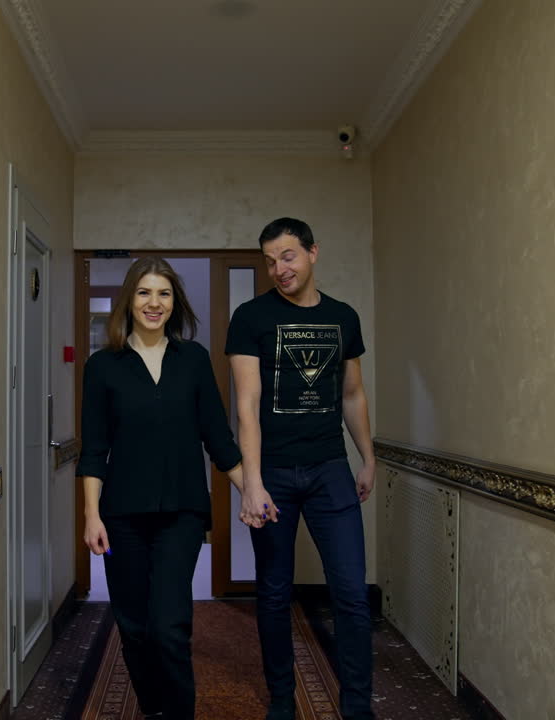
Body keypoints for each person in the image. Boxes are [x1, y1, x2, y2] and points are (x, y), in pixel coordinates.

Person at [77, 256, 245, 720]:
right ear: (129, 300)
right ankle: (154, 709)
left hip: (182, 514)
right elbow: (93, 450)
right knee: (134, 627)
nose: (155, 303)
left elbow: (218, 437)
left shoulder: (192, 360)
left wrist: (251, 490)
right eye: (145, 293)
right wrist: (92, 515)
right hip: (121, 516)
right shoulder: (103, 367)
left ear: (175, 302)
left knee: (170, 626)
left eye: (164, 294)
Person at [226, 218, 376, 720]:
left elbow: (352, 395)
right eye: (270, 260)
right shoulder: (250, 317)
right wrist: (252, 483)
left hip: (330, 468)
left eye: (287, 256)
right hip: (273, 477)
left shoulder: (343, 317)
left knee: (353, 592)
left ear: (313, 252)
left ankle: (357, 704)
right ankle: (282, 699)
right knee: (273, 591)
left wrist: (368, 458)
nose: (278, 269)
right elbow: (246, 406)